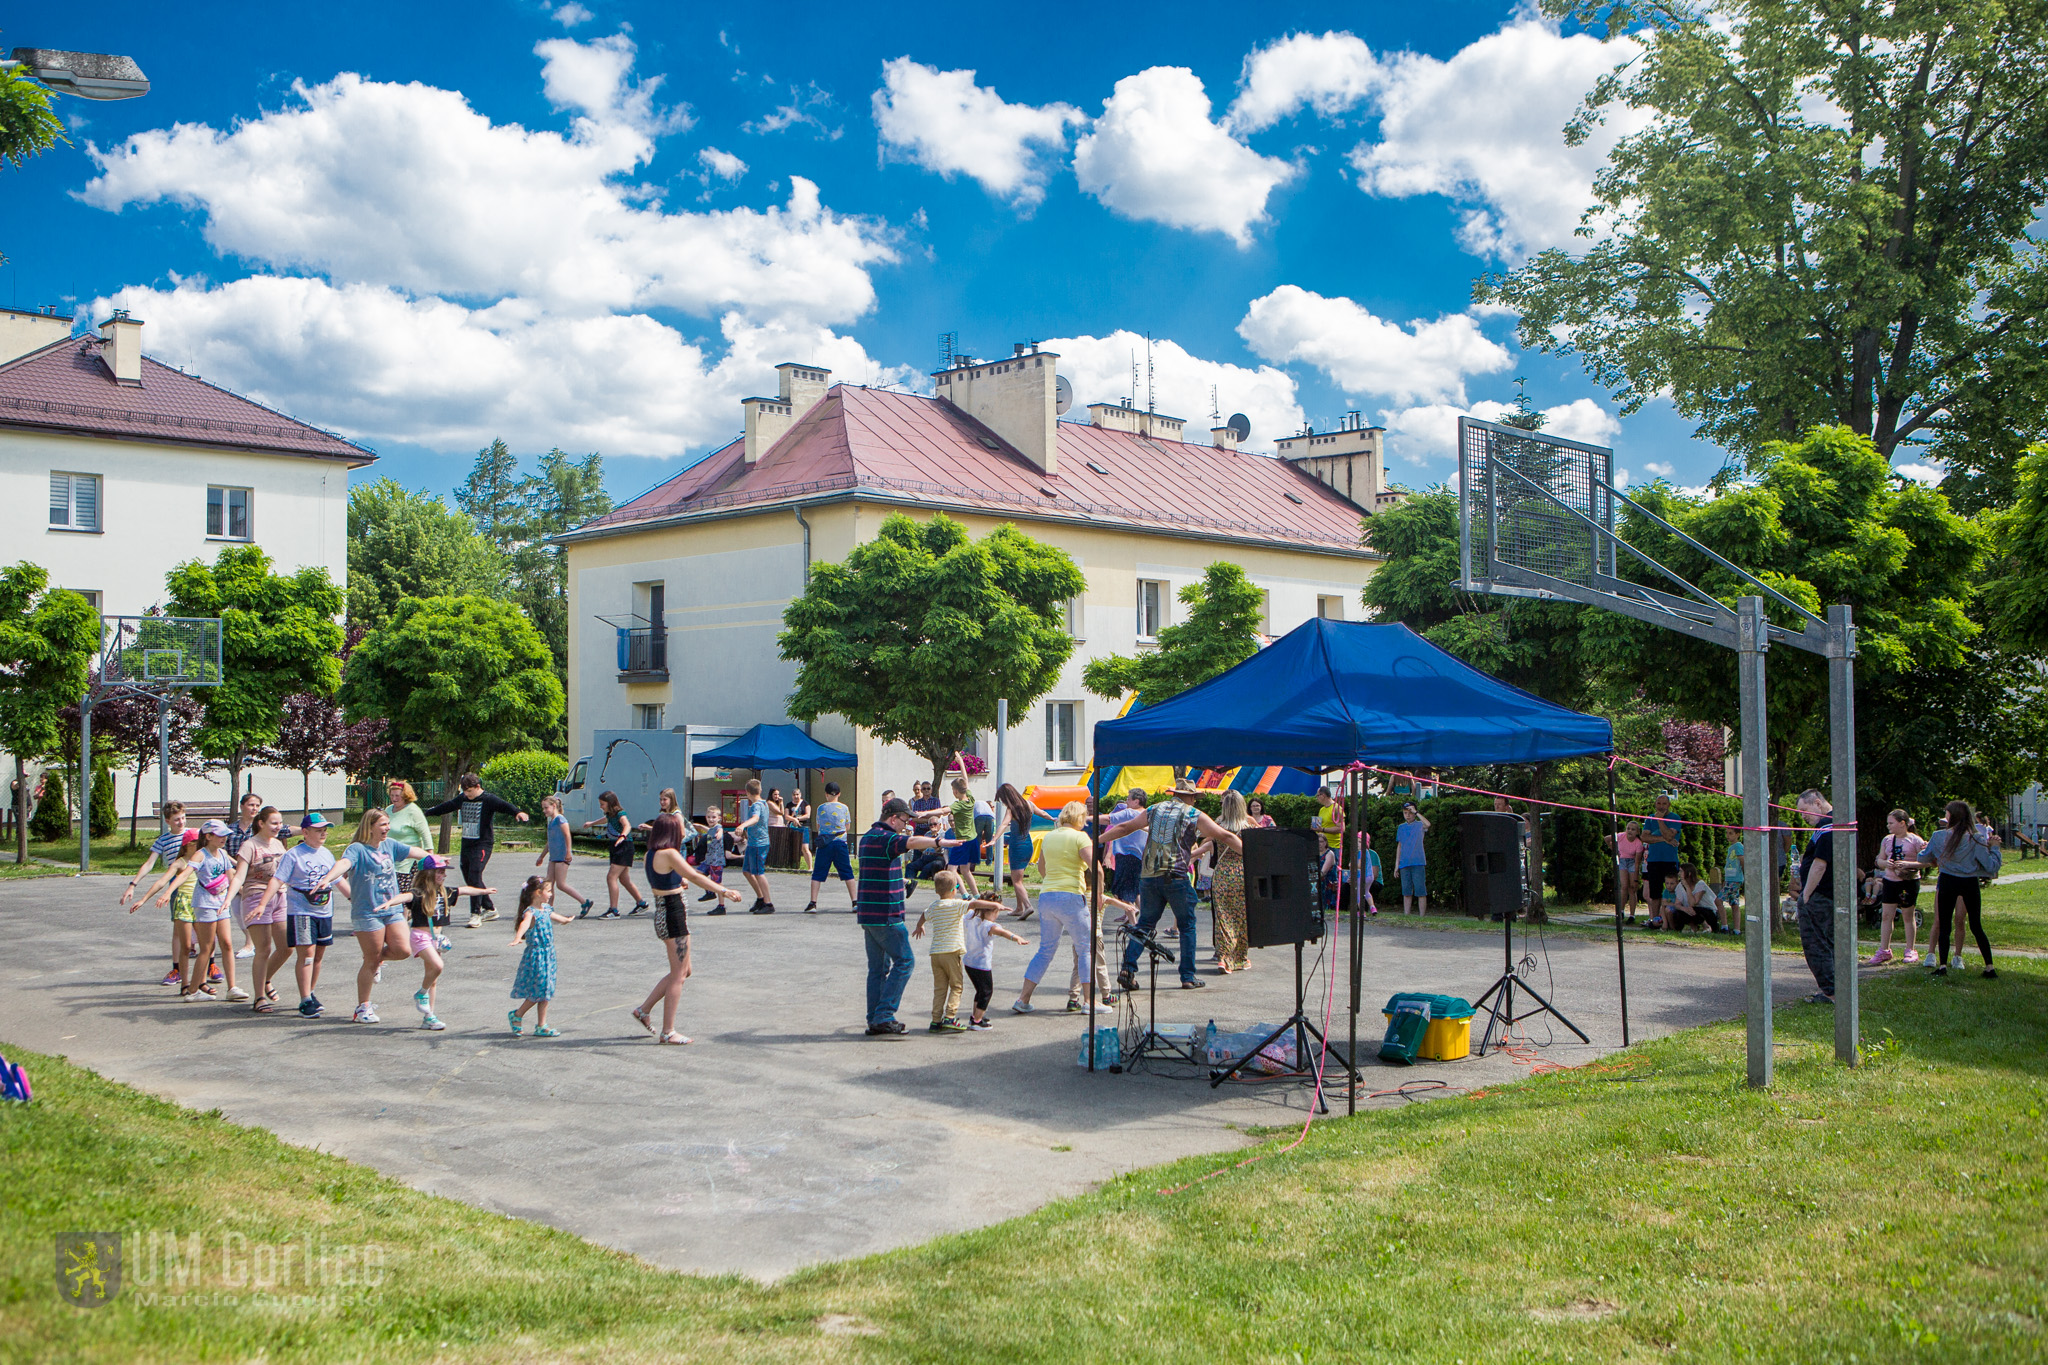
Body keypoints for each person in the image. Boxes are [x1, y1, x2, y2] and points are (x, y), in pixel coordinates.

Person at [1107, 779, 1243, 993]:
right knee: (1187, 926)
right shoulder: (1193, 814)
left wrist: (1097, 838)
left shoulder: (1153, 809)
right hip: (1176, 877)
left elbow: (1124, 827)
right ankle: (1187, 976)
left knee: (1144, 925)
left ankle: (1127, 969)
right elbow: (1224, 836)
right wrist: (1252, 855)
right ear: (1190, 797)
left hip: (1149, 876)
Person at [630, 812, 744, 1045]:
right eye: (681, 827)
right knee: (679, 975)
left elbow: (668, 878)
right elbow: (693, 875)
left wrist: (679, 881)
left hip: (664, 912)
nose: (685, 831)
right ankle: (668, 1031)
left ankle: (644, 1010)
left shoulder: (650, 854)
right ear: (671, 831)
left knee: (684, 970)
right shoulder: (670, 853)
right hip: (673, 914)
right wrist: (724, 891)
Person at [855, 797, 958, 1035]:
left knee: (878, 969)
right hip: (886, 914)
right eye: (904, 820)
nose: (906, 825)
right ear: (893, 818)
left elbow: (878, 868)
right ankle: (884, 1015)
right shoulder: (887, 838)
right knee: (905, 962)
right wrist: (938, 841)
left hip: (868, 914)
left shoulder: (868, 837)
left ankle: (875, 1019)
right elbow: (910, 842)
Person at [316, 808, 430, 1023]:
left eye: (388, 824)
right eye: (383, 825)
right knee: (371, 958)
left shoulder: (390, 845)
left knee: (404, 949)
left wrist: (433, 858)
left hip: (392, 908)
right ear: (370, 827)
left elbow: (414, 851)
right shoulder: (357, 849)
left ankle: (378, 961)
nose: (387, 828)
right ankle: (363, 1008)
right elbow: (344, 864)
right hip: (367, 912)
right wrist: (328, 877)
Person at [1014, 801, 1110, 1012]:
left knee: (1045, 950)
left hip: (1048, 896)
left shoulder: (1049, 837)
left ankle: (1023, 999)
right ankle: (1089, 1001)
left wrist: (1053, 884)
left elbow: (1042, 867)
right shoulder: (1080, 837)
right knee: (1085, 948)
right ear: (1080, 818)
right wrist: (1100, 894)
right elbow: (1097, 869)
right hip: (1072, 895)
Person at [156, 819, 252, 1002]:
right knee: (206, 948)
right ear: (208, 836)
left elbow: (233, 874)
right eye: (220, 835)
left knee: (227, 944)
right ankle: (192, 991)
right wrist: (168, 892)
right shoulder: (200, 855)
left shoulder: (222, 854)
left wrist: (247, 895)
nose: (224, 838)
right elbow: (184, 874)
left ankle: (232, 988)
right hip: (205, 905)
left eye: (225, 835)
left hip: (221, 904)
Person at [424, 773, 528, 929]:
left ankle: (475, 914)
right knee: (468, 876)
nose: (467, 795)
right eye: (464, 792)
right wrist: (426, 812)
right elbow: (448, 806)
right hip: (467, 842)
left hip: (483, 844)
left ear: (478, 787)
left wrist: (518, 812)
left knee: (475, 874)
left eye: (469, 791)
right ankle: (490, 909)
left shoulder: (488, 799)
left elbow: (505, 806)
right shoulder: (463, 798)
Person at [401, 853, 492, 1031]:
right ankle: (421, 993)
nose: (444, 875)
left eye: (444, 872)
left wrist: (484, 891)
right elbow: (405, 898)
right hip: (420, 936)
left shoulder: (445, 892)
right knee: (438, 966)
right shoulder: (419, 893)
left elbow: (464, 890)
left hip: (436, 939)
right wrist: (389, 902)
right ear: (428, 874)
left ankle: (429, 1017)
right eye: (440, 872)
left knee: (433, 977)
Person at [1917, 799, 2001, 978]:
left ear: (1951, 816)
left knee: (1945, 925)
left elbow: (1923, 858)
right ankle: (1989, 967)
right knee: (1976, 925)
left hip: (1947, 881)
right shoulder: (1975, 837)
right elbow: (1991, 866)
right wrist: (1995, 848)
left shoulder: (1938, 836)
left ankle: (1942, 966)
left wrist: (1924, 848)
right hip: (1969, 882)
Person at [914, 870, 1003, 1033]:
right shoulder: (956, 905)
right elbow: (974, 904)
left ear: (936, 890)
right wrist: (994, 905)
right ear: (955, 890)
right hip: (952, 952)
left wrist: (920, 926)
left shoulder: (934, 905)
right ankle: (950, 1017)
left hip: (936, 954)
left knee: (940, 988)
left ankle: (935, 1020)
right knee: (956, 986)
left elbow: (924, 915)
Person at [273, 813, 339, 1017]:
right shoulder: (293, 855)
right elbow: (277, 880)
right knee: (307, 955)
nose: (323, 833)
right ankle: (304, 1000)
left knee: (318, 955)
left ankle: (311, 992)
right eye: (319, 830)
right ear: (305, 832)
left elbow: (338, 880)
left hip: (324, 911)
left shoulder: (327, 854)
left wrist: (353, 898)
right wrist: (261, 904)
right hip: (301, 911)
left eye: (325, 830)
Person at [121, 799, 192, 986]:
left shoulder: (194, 835)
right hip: (176, 888)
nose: (181, 822)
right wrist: (133, 884)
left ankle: (210, 965)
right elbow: (149, 864)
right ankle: (176, 969)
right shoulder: (163, 840)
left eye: (183, 818)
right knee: (178, 930)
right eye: (177, 819)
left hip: (196, 885)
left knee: (206, 929)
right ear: (168, 821)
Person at [235, 806, 290, 1012]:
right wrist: (228, 898)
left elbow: (286, 871)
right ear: (261, 823)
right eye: (274, 823)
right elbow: (239, 875)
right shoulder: (250, 846)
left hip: (279, 897)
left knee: (287, 947)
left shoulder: (277, 844)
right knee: (264, 948)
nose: (278, 827)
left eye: (280, 823)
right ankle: (259, 997)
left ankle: (266, 979)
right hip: (255, 898)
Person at [508, 876, 573, 1037]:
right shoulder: (531, 912)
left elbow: (557, 918)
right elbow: (524, 924)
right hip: (536, 955)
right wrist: (518, 938)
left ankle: (541, 1025)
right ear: (538, 892)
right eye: (549, 891)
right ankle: (517, 1014)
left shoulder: (546, 909)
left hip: (548, 954)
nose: (551, 894)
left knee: (547, 989)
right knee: (540, 989)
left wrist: (566, 920)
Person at [1791, 789, 1838, 1004]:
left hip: (1819, 896)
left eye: (1804, 810)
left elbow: (1820, 864)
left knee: (1816, 944)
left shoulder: (1828, 826)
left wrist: (1805, 895)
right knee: (1827, 943)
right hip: (1825, 894)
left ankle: (1831, 991)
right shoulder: (1828, 824)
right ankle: (1835, 989)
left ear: (1817, 803)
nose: (1803, 816)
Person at [1866, 809, 1925, 967]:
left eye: (1891, 823)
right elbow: (1880, 860)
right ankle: (1884, 949)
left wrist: (1908, 865)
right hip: (1891, 880)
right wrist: (1886, 864)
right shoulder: (1887, 840)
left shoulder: (1915, 840)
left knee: (1907, 914)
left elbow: (1927, 861)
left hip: (1909, 882)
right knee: (1886, 915)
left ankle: (1910, 949)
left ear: (1902, 823)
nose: (1888, 826)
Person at [961, 897, 1028, 1031]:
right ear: (993, 910)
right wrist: (1016, 938)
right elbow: (1003, 932)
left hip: (968, 962)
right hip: (981, 965)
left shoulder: (971, 917)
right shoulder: (989, 926)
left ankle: (975, 1016)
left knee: (979, 990)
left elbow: (970, 905)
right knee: (986, 991)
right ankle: (977, 1021)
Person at [1208, 790, 1253, 973]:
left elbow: (1208, 842)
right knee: (1241, 917)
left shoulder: (1218, 824)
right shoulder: (1248, 827)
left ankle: (1224, 957)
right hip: (1242, 873)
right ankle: (1240, 957)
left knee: (1223, 917)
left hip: (1222, 873)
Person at [585, 790, 648, 919]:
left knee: (611, 877)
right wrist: (592, 823)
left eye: (602, 804)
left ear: (610, 803)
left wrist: (623, 836)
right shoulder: (609, 814)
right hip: (615, 846)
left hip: (624, 846)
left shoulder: (620, 813)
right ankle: (641, 903)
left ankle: (614, 910)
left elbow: (627, 825)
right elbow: (605, 819)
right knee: (624, 879)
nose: (601, 806)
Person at [536, 793, 595, 918]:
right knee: (548, 883)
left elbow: (567, 835)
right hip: (554, 857)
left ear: (553, 806)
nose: (544, 810)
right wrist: (542, 856)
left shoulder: (560, 819)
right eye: (543, 808)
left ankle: (585, 902)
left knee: (561, 884)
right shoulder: (551, 821)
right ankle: (549, 908)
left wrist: (568, 851)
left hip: (562, 856)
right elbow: (550, 841)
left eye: (546, 807)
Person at [225, 791, 266, 959]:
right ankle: (251, 941)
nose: (254, 808)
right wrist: (236, 864)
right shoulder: (230, 829)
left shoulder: (261, 829)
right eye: (251, 805)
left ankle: (252, 943)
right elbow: (221, 851)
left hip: (256, 873)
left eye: (257, 805)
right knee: (237, 908)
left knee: (252, 907)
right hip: (234, 871)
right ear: (242, 806)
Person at [804, 781, 855, 914]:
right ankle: (855, 902)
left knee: (818, 873)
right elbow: (847, 827)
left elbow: (819, 826)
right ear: (839, 794)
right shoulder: (844, 808)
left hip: (825, 844)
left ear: (826, 794)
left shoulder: (821, 808)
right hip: (840, 843)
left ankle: (813, 903)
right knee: (847, 872)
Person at [730, 778, 776, 914]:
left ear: (747, 793)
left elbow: (756, 819)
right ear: (760, 790)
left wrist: (742, 825)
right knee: (747, 871)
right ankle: (760, 898)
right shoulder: (763, 804)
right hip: (754, 842)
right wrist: (746, 832)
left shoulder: (757, 805)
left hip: (758, 844)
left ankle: (768, 903)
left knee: (758, 872)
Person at [992, 783, 1037, 919]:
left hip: (1017, 846)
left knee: (1017, 881)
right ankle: (1019, 908)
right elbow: (1043, 813)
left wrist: (995, 839)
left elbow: (1004, 824)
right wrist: (1053, 819)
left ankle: (1028, 906)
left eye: (1003, 800)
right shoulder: (1029, 805)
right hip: (1028, 845)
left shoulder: (1012, 809)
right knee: (1018, 878)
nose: (1003, 803)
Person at [384, 779, 433, 897]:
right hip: (391, 858)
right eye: (392, 795)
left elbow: (425, 833)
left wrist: (430, 856)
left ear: (405, 796)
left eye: (397, 796)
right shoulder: (388, 810)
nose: (394, 798)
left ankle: (406, 915)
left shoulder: (413, 810)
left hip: (408, 860)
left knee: (403, 893)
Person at [1640, 794, 1683, 913]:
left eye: (1664, 804)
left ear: (1669, 805)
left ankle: (1672, 918)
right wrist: (1663, 839)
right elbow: (1644, 837)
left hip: (1669, 860)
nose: (1661, 806)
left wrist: (1660, 820)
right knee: (1655, 893)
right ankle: (1655, 919)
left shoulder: (1675, 818)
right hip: (1654, 860)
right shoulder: (1650, 818)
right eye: (1658, 803)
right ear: (1655, 804)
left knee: (1672, 890)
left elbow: (1670, 835)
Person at [942, 778, 983, 897]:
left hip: (962, 841)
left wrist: (925, 813)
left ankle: (964, 893)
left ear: (955, 791)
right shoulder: (970, 798)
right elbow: (965, 779)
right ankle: (976, 895)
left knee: (951, 870)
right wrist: (960, 762)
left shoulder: (958, 805)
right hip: (972, 840)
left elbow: (944, 810)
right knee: (965, 870)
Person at [1108, 790, 1148, 902]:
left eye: (1128, 799)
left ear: (1136, 801)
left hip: (1127, 855)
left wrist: (1085, 818)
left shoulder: (1129, 813)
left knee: (1124, 890)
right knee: (1134, 890)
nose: (1126, 802)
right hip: (1140, 856)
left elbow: (1109, 819)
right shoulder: (1147, 815)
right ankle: (1137, 915)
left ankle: (1132, 914)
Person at [1394, 801, 1431, 915]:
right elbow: (1399, 846)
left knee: (1420, 890)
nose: (1408, 815)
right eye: (1405, 813)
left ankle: (1422, 916)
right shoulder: (1401, 827)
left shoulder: (1420, 825)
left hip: (1418, 862)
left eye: (1410, 813)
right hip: (1404, 863)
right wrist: (1397, 866)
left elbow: (1428, 824)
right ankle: (1406, 914)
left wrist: (1417, 812)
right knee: (1406, 891)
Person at [1666, 861, 1724, 933]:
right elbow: (1677, 904)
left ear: (1689, 873)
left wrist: (1687, 886)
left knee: (1695, 910)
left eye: (1681, 872)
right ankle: (1679, 929)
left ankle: (1710, 926)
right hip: (1691, 910)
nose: (1679, 874)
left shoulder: (1700, 884)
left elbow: (1693, 903)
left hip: (1708, 911)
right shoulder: (1680, 886)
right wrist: (1684, 909)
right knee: (1678, 913)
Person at [1606, 819, 1646, 922]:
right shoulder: (1621, 836)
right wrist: (1614, 850)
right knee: (1623, 886)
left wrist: (1636, 879)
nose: (1630, 831)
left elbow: (1637, 862)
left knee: (1632, 888)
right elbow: (1607, 839)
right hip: (1623, 860)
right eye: (1628, 828)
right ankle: (1621, 911)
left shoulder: (1638, 844)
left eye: (1633, 829)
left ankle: (1632, 914)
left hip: (1632, 861)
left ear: (1637, 832)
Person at [692, 805, 730, 907]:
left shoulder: (718, 828)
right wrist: (700, 826)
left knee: (718, 884)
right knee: (698, 874)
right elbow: (709, 830)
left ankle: (721, 906)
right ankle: (710, 892)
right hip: (709, 860)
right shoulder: (711, 829)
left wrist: (720, 834)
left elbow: (720, 830)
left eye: (713, 817)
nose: (711, 819)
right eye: (709, 817)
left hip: (716, 861)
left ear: (719, 818)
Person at [784, 785, 812, 873]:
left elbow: (807, 815)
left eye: (797, 794)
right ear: (792, 796)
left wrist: (798, 819)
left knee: (805, 848)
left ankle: (810, 867)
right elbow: (786, 816)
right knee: (791, 847)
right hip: (792, 827)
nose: (796, 796)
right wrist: (794, 819)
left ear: (800, 795)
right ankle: (792, 865)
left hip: (803, 827)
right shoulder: (789, 805)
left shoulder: (805, 804)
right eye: (794, 795)